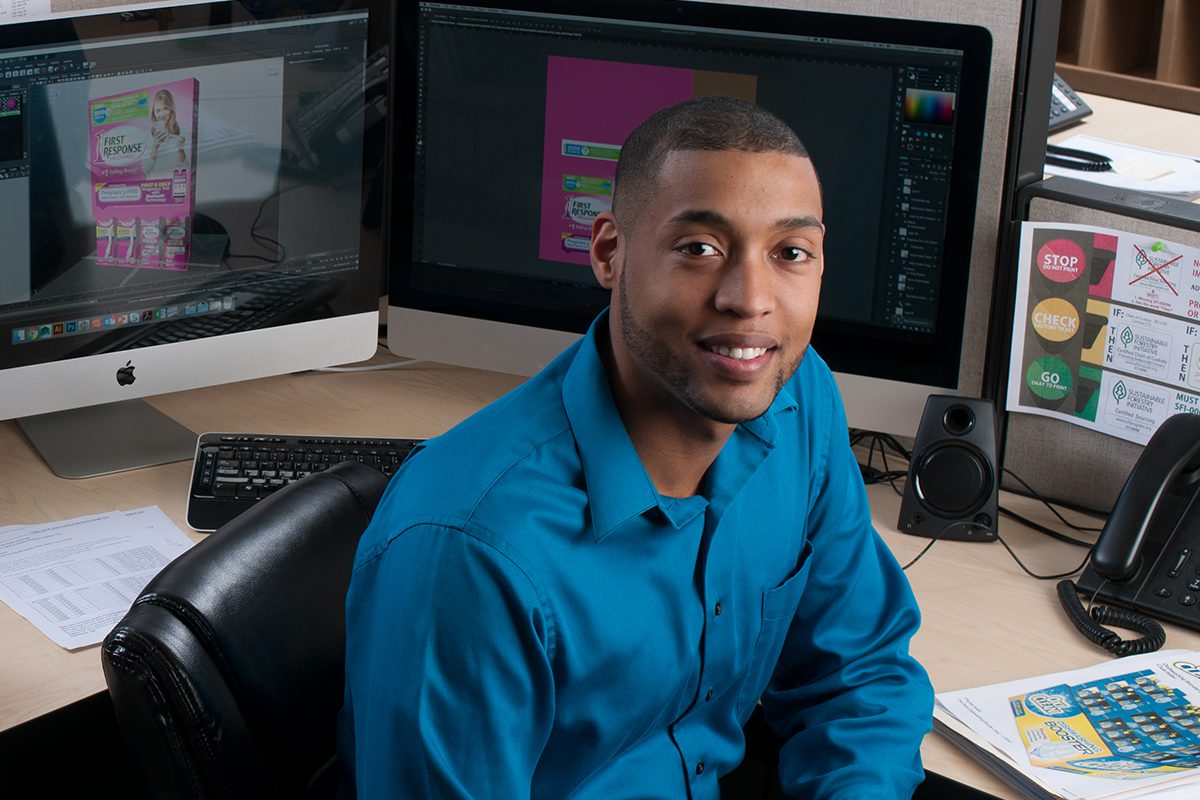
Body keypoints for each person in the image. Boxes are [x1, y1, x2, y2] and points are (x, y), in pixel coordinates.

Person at [338, 96, 933, 798]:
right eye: (700, 249)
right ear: (609, 253)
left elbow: (856, 674)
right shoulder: (470, 554)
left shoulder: (802, 401)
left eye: (790, 253)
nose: (750, 298)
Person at [143, 88, 188, 179]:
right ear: (154, 113)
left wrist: (181, 151)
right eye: (158, 110)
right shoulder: (148, 135)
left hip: (175, 185)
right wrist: (155, 146)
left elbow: (186, 168)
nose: (162, 114)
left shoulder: (183, 131)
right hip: (154, 187)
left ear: (171, 109)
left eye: (165, 109)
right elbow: (146, 169)